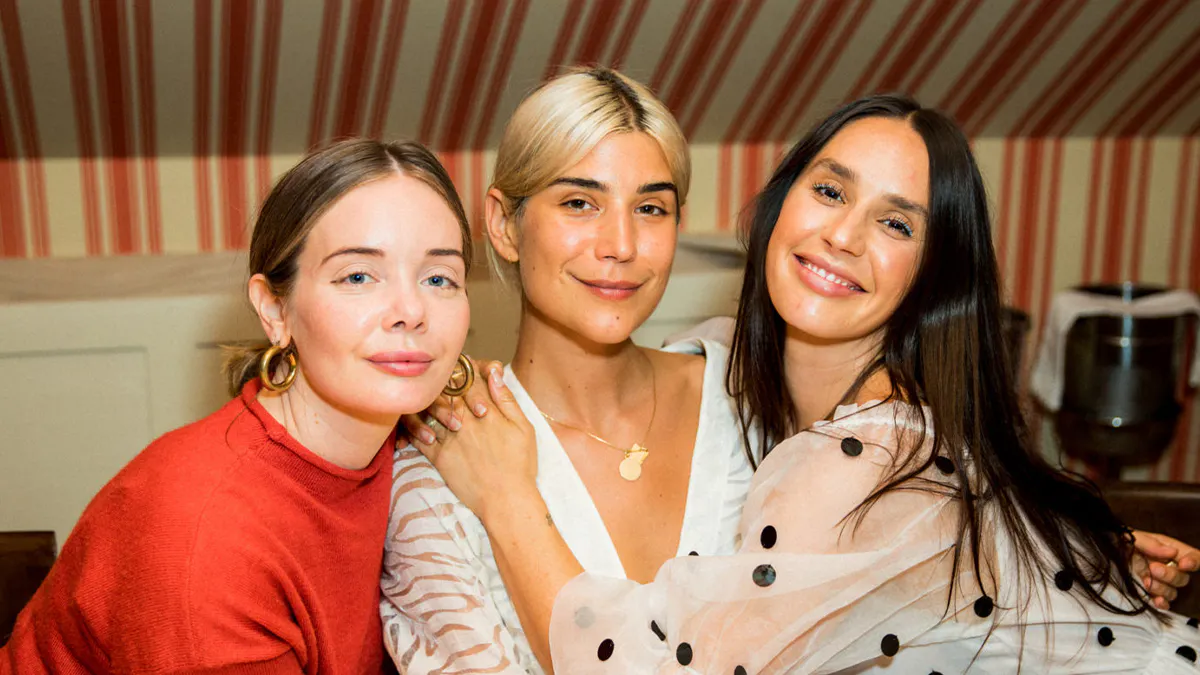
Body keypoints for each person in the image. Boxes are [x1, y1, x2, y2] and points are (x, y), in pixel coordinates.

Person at [417, 95, 1200, 673]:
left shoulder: (865, 453)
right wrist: (1077, 553)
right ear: (778, 202)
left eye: (896, 223)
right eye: (830, 190)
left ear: (933, 273)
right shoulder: (740, 368)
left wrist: (508, 498)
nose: (842, 235)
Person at [1, 139, 474, 674]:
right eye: (358, 276)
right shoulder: (208, 538)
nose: (412, 310)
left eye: (439, 278)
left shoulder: (413, 443)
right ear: (274, 309)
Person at [379, 67, 753, 673]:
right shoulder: (439, 464)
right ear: (504, 225)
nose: (621, 244)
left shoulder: (748, 403)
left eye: (650, 208)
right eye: (580, 203)